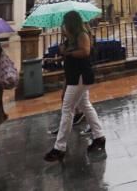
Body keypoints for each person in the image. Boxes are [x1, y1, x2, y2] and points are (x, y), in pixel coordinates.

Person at [43, 10, 105, 162]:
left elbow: (85, 51)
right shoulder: (70, 39)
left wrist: (68, 53)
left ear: (71, 23)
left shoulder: (82, 35)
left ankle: (59, 147)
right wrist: (64, 49)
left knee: (67, 108)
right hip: (74, 76)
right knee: (85, 105)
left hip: (80, 76)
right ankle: (99, 136)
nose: (63, 26)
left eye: (64, 23)